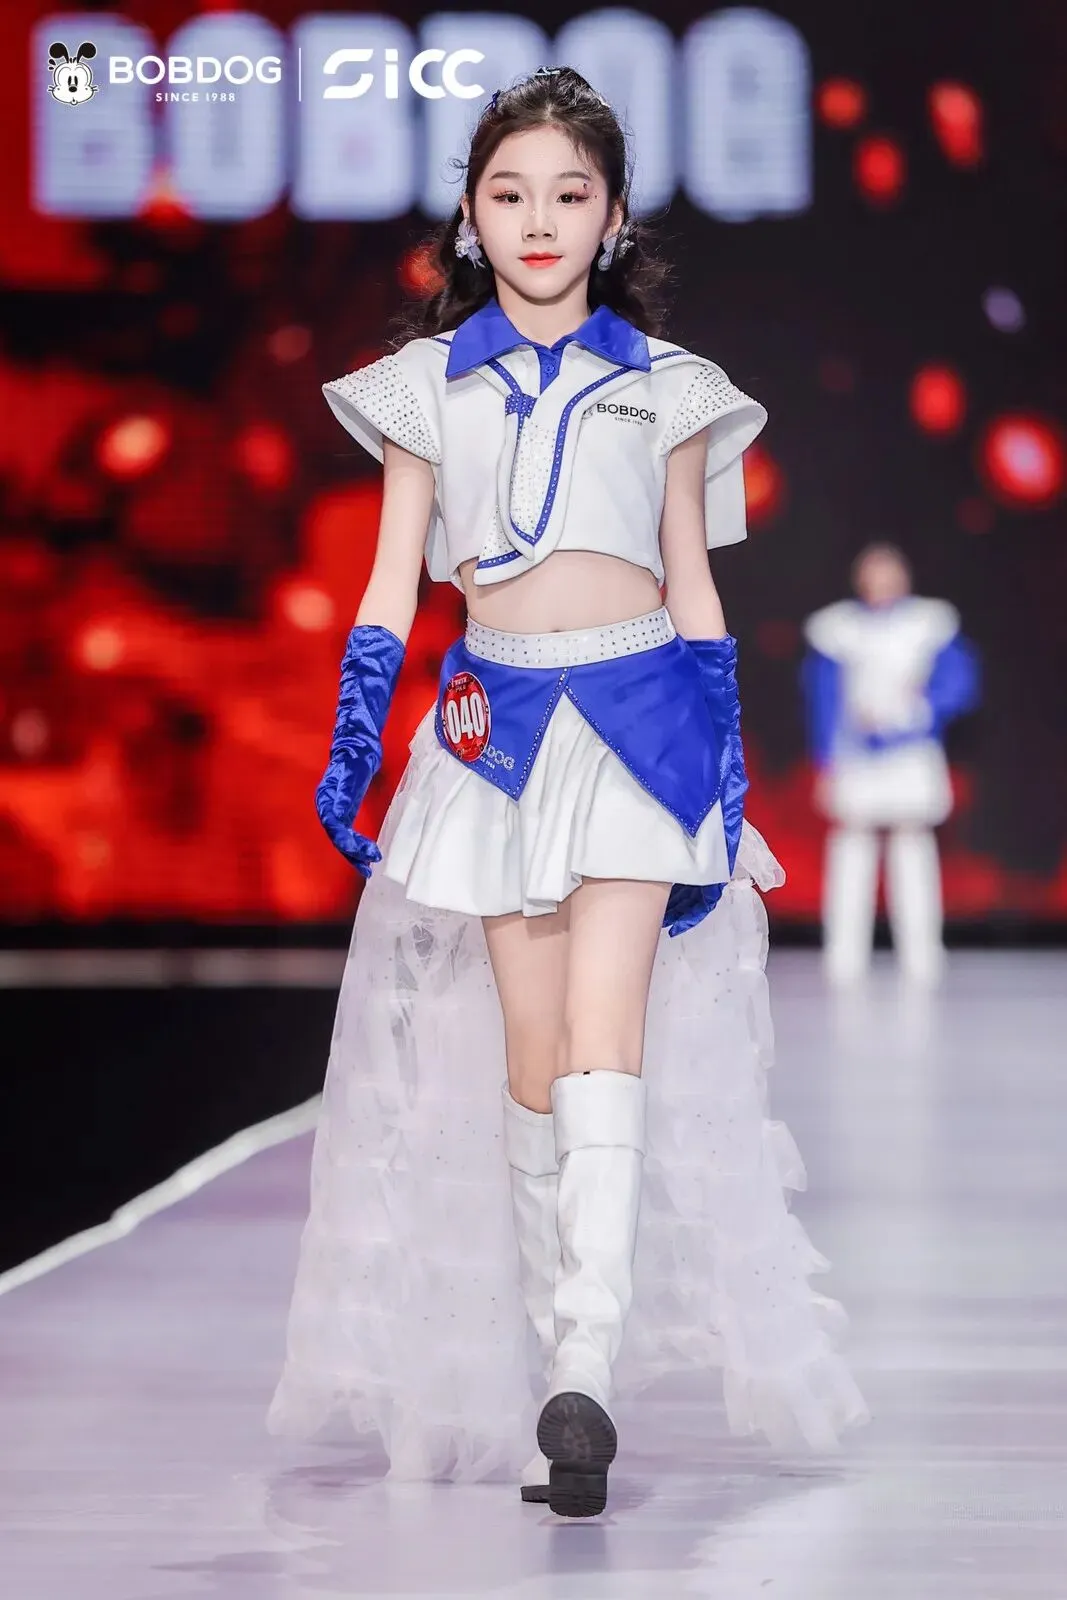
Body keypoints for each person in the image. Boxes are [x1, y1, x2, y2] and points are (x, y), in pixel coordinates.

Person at [269, 66, 868, 1519]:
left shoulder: (672, 389)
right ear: (469, 218)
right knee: (530, 1060)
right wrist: (354, 740)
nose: (538, 219)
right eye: (509, 192)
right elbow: (389, 581)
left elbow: (693, 583)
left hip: (638, 719)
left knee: (607, 1035)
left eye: (568, 193)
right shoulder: (420, 389)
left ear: (612, 218)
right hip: (493, 731)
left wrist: (721, 755)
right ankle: (560, 1380)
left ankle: (584, 1372)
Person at [801, 543, 980, 985]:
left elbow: (958, 683)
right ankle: (843, 953)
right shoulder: (837, 629)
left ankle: (922, 952)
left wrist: (916, 714)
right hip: (856, 752)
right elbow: (823, 699)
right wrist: (826, 759)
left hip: (911, 750)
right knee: (852, 844)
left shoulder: (930, 623)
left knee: (912, 843)